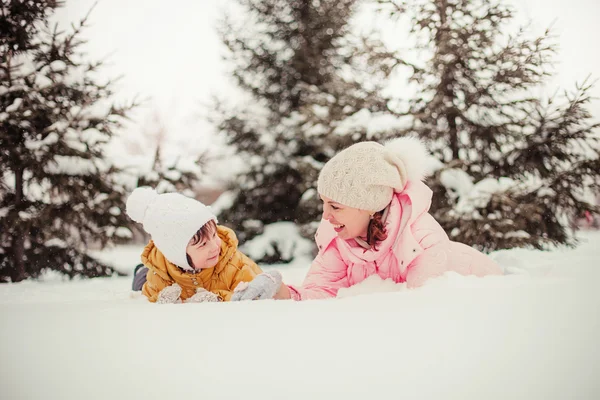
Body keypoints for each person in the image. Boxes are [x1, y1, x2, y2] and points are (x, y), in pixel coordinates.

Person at [232, 136, 503, 301]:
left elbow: (424, 309)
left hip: (491, 289)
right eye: (324, 204)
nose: (325, 216)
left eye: (335, 206)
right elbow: (321, 292)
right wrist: (282, 293)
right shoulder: (339, 242)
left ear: (370, 205)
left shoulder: (420, 239)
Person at [126, 187, 284, 303]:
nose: (215, 246)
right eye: (202, 245)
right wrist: (165, 299)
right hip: (156, 270)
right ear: (177, 254)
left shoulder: (235, 264)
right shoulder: (161, 271)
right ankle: (140, 270)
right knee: (141, 281)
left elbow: (251, 294)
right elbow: (150, 293)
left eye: (214, 235)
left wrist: (218, 297)